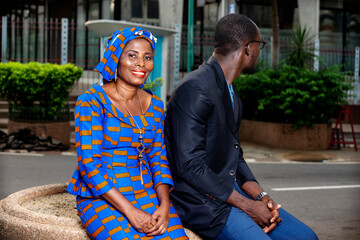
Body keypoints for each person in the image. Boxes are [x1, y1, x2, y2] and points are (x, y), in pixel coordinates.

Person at [164, 14, 319, 240]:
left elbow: (235, 155)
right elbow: (190, 166)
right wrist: (248, 206)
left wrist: (261, 196)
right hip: (202, 202)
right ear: (248, 48)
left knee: (306, 237)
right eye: (259, 45)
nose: (259, 52)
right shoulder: (195, 88)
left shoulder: (232, 93)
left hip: (229, 192)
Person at [67, 27, 188, 240]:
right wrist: (130, 211)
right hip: (102, 195)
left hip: (146, 193)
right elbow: (89, 165)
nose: (141, 63)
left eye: (147, 57)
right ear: (115, 58)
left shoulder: (156, 105)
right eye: (132, 55)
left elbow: (158, 157)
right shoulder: (92, 102)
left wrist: (165, 204)